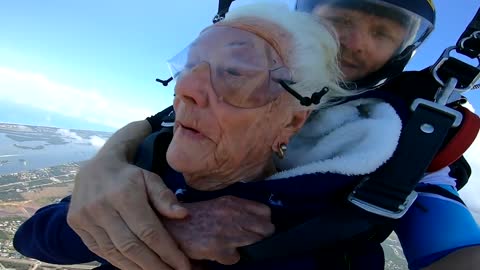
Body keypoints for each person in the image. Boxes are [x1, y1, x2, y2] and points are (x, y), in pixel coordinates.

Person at [53, 0, 480, 269]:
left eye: (382, 31)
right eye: (342, 16)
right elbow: (155, 124)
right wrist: (106, 164)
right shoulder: (232, 89)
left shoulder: (404, 140)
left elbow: (452, 250)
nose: (353, 41)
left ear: (403, 52)